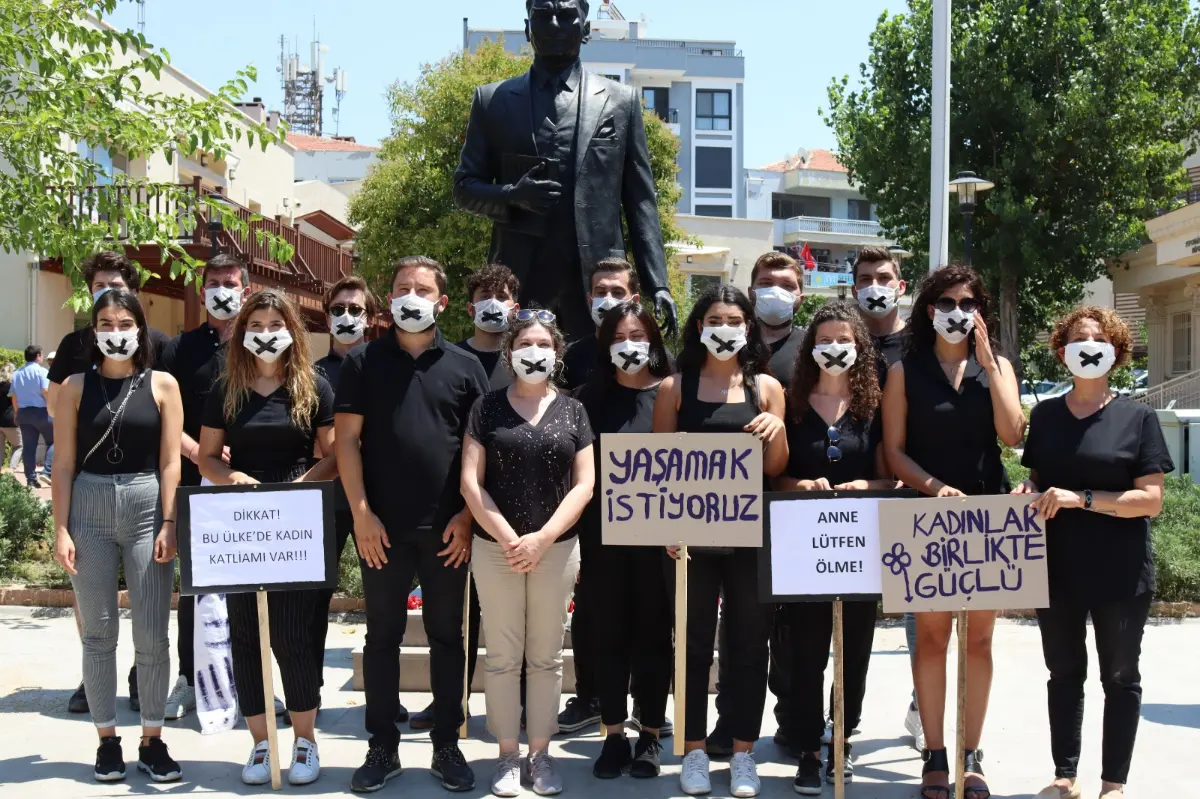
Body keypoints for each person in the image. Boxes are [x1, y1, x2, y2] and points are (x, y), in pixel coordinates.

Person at [336, 256, 485, 794]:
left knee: (450, 637)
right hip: (381, 531)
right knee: (383, 639)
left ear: (442, 302)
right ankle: (382, 745)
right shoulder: (362, 363)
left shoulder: (468, 366)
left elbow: (478, 449)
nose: (412, 296)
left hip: (450, 532)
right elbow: (347, 442)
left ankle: (448, 743)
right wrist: (361, 514)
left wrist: (469, 516)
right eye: (402, 288)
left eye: (423, 289)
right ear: (389, 296)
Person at [881, 264, 1025, 799]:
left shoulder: (998, 367)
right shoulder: (905, 370)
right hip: (928, 518)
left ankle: (972, 752)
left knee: (981, 640)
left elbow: (1013, 435)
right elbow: (894, 452)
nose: (956, 312)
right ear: (928, 309)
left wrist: (990, 362)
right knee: (934, 639)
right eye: (945, 302)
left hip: (989, 520)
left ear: (980, 312)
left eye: (967, 303)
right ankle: (935, 754)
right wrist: (934, 485)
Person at [1016, 307, 1171, 799]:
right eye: (1077, 337)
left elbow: (1151, 500)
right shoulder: (1044, 416)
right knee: (1063, 673)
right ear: (1062, 352)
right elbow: (1038, 477)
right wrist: (1029, 487)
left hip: (1120, 573)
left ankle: (1113, 784)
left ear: (1116, 351)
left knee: (1121, 675)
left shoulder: (1138, 417)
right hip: (1054, 568)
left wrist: (1081, 499)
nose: (1088, 344)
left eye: (1099, 337)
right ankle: (1065, 776)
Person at [453, 0, 676, 341]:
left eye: (567, 15)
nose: (555, 24)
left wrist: (657, 283)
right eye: (542, 16)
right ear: (528, 29)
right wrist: (512, 196)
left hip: (597, 280)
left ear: (586, 29)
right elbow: (465, 188)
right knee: (521, 379)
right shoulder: (492, 100)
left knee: (599, 381)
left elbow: (641, 200)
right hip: (519, 276)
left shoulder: (621, 101)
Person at [652, 285, 789, 798]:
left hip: (751, 537)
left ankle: (743, 753)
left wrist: (776, 428)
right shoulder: (675, 388)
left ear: (748, 327)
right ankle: (691, 750)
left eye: (735, 319)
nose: (725, 328)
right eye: (715, 318)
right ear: (699, 327)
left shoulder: (768, 388)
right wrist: (664, 527)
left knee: (750, 644)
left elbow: (776, 470)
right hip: (688, 541)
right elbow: (657, 469)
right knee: (689, 644)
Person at [198, 289, 336, 786]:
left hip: (296, 517)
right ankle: (260, 743)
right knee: (247, 635)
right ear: (242, 331)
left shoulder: (313, 386)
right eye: (256, 323)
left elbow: (334, 454)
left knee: (292, 636)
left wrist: (304, 485)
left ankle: (304, 742)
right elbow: (207, 457)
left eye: (276, 323)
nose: (266, 332)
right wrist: (227, 477)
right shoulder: (225, 389)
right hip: (241, 522)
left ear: (292, 330)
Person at [50, 289, 184, 783]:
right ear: (94, 330)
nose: (115, 332)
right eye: (105, 323)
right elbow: (62, 464)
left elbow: (171, 461)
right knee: (99, 633)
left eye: (124, 322)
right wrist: (60, 528)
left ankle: (153, 739)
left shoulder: (164, 384)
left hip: (147, 505)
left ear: (140, 328)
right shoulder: (75, 387)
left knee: (152, 632)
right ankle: (107, 741)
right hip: (88, 506)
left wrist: (169, 521)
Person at [460, 308, 595, 797]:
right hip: (496, 550)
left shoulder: (575, 411)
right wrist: (507, 537)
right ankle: (506, 755)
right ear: (510, 352)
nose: (533, 352)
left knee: (545, 658)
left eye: (543, 344)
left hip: (556, 550)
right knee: (501, 656)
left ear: (556, 353)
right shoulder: (486, 407)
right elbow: (471, 484)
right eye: (525, 344)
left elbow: (585, 485)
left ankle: (541, 755)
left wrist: (541, 538)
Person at [774, 301, 894, 794]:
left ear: (860, 347)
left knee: (854, 650)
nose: (834, 347)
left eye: (844, 339)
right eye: (824, 339)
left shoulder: (875, 406)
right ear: (810, 348)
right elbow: (772, 474)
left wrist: (869, 487)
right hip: (804, 548)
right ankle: (806, 747)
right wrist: (799, 484)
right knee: (805, 650)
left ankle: (840, 739)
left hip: (859, 546)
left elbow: (890, 475)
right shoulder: (789, 401)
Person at [409, 263, 522, 734]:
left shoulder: (526, 357)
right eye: (485, 294)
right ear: (470, 304)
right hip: (463, 505)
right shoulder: (453, 359)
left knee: (511, 616)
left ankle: (512, 706)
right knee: (460, 615)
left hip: (514, 506)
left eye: (503, 295)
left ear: (515, 306)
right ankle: (451, 704)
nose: (493, 303)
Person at [708, 251, 804, 758]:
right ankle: (730, 722)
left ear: (800, 292)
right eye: (765, 283)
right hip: (740, 510)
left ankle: (793, 721)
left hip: (801, 501)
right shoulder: (724, 349)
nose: (774, 291)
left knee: (791, 625)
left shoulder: (812, 347)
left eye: (784, 284)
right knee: (743, 624)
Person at [576, 301, 673, 780]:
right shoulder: (584, 399)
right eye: (618, 337)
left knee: (656, 640)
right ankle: (613, 735)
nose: (628, 345)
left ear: (653, 340)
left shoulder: (672, 395)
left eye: (637, 335)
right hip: (601, 542)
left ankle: (650, 734)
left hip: (661, 544)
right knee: (608, 638)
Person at [158, 253, 252, 722]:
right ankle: (188, 679)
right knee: (194, 588)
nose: (221, 289)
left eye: (230, 282)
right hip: (196, 484)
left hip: (249, 487)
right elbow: (163, 417)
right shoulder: (179, 351)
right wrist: (203, 455)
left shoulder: (262, 343)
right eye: (213, 282)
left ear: (245, 290)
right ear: (201, 292)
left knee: (253, 589)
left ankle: (254, 683)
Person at [556, 257, 642, 736]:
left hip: (645, 505)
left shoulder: (653, 352)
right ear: (588, 298)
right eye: (598, 290)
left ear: (633, 296)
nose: (607, 298)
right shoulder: (570, 354)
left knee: (646, 608)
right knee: (591, 608)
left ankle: (648, 703)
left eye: (617, 289)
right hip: (587, 501)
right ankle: (590, 696)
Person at [849, 244, 921, 749]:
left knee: (921, 611)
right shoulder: (836, 341)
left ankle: (926, 708)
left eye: (884, 276)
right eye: (865, 278)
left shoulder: (919, 347)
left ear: (900, 286)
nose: (875, 285)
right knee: (850, 618)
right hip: (850, 500)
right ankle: (840, 722)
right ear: (853, 288)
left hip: (910, 493)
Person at [312, 275, 384, 708]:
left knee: (381, 604)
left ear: (371, 318)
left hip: (376, 503)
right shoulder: (310, 373)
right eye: (338, 309)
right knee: (312, 601)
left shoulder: (384, 366)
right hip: (321, 502)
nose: (346, 316)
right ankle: (309, 694)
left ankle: (383, 694)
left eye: (355, 309)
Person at [10, 345, 52, 489]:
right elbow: (45, 391)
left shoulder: (16, 373)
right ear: (38, 356)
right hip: (41, 412)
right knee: (55, 441)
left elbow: (14, 397)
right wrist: (52, 409)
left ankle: (30, 480)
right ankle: (47, 472)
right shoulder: (42, 371)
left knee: (28, 447)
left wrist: (16, 413)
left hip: (23, 413)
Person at [1, 362, 21, 470]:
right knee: (19, 445)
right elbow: (15, 402)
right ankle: (11, 470)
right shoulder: (12, 386)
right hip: (9, 420)